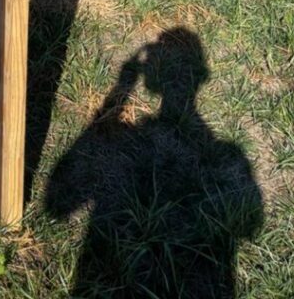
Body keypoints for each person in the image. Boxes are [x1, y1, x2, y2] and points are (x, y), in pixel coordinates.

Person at [46, 27, 263, 298]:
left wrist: (123, 86)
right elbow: (251, 225)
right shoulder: (231, 156)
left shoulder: (226, 154)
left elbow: (57, 207)